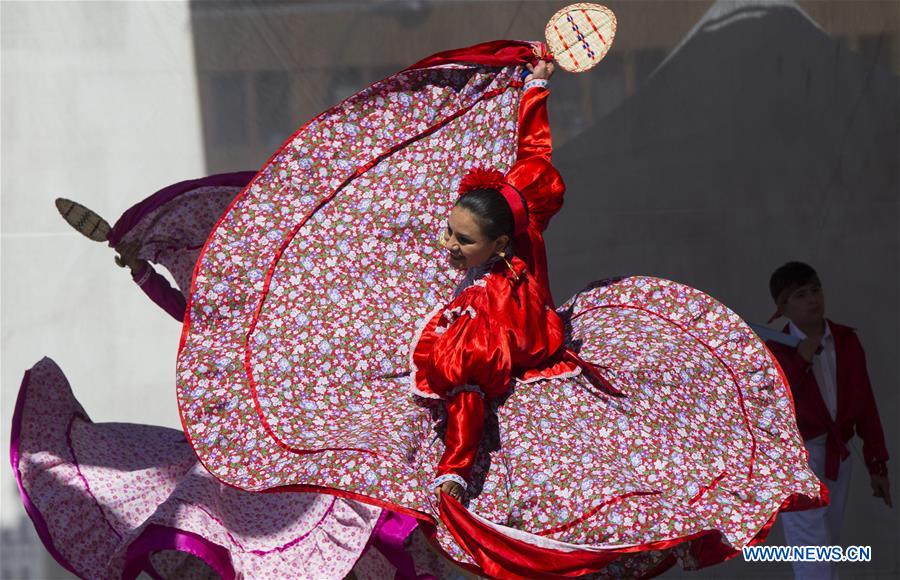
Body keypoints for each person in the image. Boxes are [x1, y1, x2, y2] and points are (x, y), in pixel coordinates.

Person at [179, 40, 828, 578]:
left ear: (493, 240)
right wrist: (535, 93)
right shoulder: (523, 227)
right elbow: (533, 165)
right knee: (624, 515)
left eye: (460, 238)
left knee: (569, 533)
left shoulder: (485, 303)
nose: (450, 245)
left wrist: (456, 474)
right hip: (577, 387)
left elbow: (465, 397)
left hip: (536, 421)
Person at [766, 261, 891, 579]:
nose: (813, 299)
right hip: (797, 461)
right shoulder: (775, 351)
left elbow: (865, 405)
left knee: (827, 544)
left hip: (838, 455)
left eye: (815, 290)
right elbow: (770, 407)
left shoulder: (847, 341)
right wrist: (799, 361)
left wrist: (877, 463)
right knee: (811, 548)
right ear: (783, 307)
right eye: (800, 295)